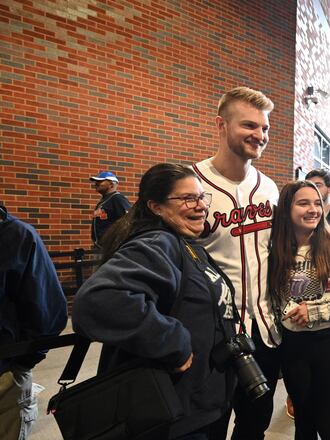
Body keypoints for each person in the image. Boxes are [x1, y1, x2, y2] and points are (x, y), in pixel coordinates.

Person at [73, 164, 237, 439]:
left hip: (200, 407)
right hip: (173, 416)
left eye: (201, 197)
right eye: (187, 198)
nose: (200, 206)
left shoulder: (185, 244)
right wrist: (175, 343)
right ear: (156, 207)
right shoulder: (158, 243)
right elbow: (97, 300)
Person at [191, 86, 281, 439]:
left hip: (265, 331)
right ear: (221, 125)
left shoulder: (270, 188)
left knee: (254, 426)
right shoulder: (190, 184)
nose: (259, 135)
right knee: (207, 425)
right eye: (249, 125)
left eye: (264, 128)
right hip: (213, 332)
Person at [268, 181, 330, 440]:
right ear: (287, 209)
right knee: (303, 422)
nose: (313, 209)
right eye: (303, 203)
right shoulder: (274, 249)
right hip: (293, 346)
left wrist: (314, 311)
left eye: (317, 203)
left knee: (329, 425)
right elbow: (272, 296)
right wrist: (288, 311)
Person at [0, 205, 68, 439]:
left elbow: (46, 310)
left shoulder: (16, 236)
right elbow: (47, 311)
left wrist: (22, 359)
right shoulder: (17, 235)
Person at [89, 170, 131, 247]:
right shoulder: (104, 201)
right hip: (100, 247)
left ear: (111, 184)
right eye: (96, 181)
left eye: (100, 181)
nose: (96, 184)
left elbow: (129, 222)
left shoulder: (117, 199)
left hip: (112, 248)